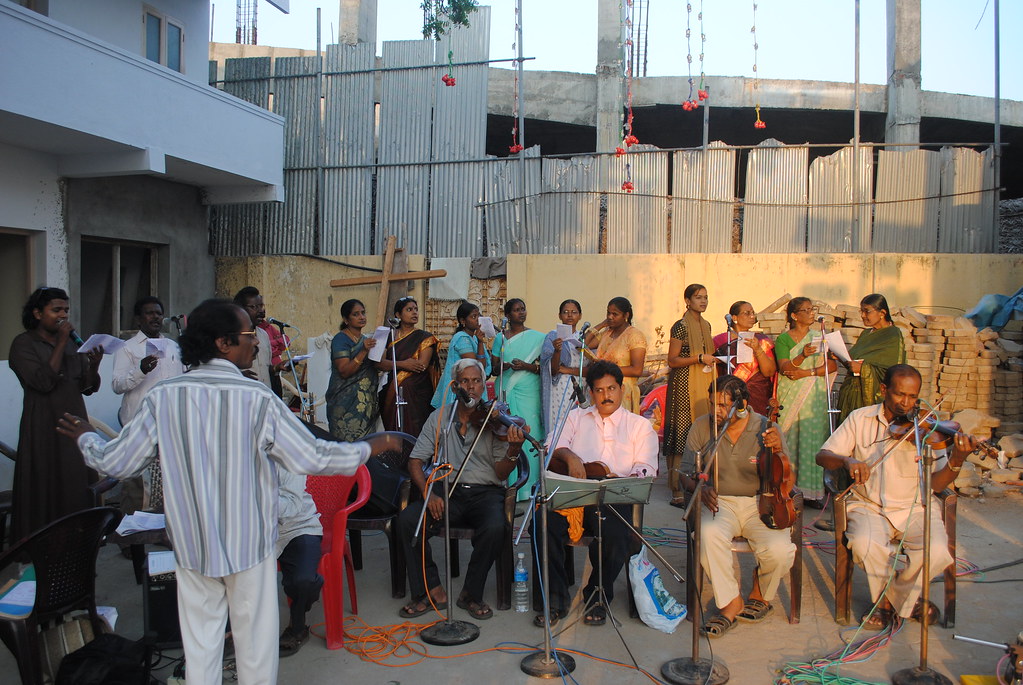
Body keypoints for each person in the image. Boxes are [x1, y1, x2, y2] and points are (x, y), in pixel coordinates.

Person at [57, 299, 402, 685]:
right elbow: (313, 457)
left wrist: (86, 438)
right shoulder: (257, 399)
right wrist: (370, 447)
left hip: (192, 546)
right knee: (255, 653)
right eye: (248, 335)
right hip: (248, 548)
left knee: (202, 649)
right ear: (223, 343)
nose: (256, 342)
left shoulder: (164, 397)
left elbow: (116, 463)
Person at [816, 364, 974, 629]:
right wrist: (847, 460)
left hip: (916, 507)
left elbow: (936, 484)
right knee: (865, 545)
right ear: (883, 390)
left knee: (937, 551)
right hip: (868, 506)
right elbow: (823, 456)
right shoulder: (860, 418)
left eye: (913, 397)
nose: (906, 403)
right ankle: (909, 602)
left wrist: (957, 460)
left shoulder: (926, 428)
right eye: (900, 394)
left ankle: (888, 602)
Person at [397, 359, 526, 621]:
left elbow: (502, 473)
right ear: (455, 386)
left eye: (476, 381)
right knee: (409, 519)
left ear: (483, 386)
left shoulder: (494, 420)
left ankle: (471, 593)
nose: (471, 387)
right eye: (465, 381)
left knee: (495, 527)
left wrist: (513, 450)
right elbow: (415, 461)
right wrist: (428, 494)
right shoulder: (439, 417)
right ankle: (430, 590)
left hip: (485, 493)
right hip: (447, 491)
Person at [536, 360, 658, 628]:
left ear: (621, 389)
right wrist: (570, 457)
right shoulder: (576, 417)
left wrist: (624, 479)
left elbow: (646, 467)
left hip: (615, 495)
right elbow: (551, 445)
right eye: (599, 390)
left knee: (615, 534)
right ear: (591, 393)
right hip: (577, 494)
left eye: (611, 389)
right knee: (544, 523)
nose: (606, 396)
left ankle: (597, 595)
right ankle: (556, 599)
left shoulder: (639, 425)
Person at [680, 375, 796, 638]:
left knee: (779, 551)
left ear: (741, 405)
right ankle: (731, 602)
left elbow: (788, 480)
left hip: (760, 502)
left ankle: (760, 593)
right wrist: (700, 487)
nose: (715, 411)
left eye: (723, 405)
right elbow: (684, 474)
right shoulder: (702, 426)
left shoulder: (766, 427)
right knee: (707, 535)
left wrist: (778, 450)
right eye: (712, 404)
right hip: (720, 502)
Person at [9, 287, 102, 542]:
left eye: (66, 310)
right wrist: (61, 342)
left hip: (74, 422)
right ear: (38, 313)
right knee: (45, 481)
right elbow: (42, 382)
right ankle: (43, 543)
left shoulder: (72, 344)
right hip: (43, 423)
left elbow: (86, 387)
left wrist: (94, 365)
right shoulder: (23, 344)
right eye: (56, 310)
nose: (63, 316)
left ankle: (78, 542)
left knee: (75, 481)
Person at [111, 295, 185, 514]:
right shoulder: (128, 348)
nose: (155, 317)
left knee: (169, 482)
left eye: (159, 313)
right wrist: (141, 370)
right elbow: (117, 385)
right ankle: (132, 527)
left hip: (169, 425)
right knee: (138, 487)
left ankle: (164, 524)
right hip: (139, 425)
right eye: (150, 313)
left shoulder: (172, 346)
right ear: (138, 319)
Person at [775, 297, 836, 505]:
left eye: (812, 309)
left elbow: (832, 366)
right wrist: (802, 355)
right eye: (806, 310)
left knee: (812, 441)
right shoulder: (783, 340)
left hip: (814, 399)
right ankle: (790, 490)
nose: (811, 313)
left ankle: (813, 493)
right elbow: (785, 368)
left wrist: (807, 373)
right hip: (791, 395)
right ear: (794, 315)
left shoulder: (819, 337)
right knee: (790, 440)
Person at [662, 284, 715, 508]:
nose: (703, 301)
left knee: (702, 429)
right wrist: (699, 358)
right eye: (698, 297)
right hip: (683, 384)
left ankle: (698, 483)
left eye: (705, 297)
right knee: (682, 431)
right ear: (687, 301)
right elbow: (672, 360)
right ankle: (677, 488)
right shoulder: (680, 326)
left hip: (703, 382)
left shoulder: (706, 325)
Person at [491, 298, 546, 500]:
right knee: (508, 433)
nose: (521, 313)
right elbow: (493, 369)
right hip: (507, 389)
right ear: (507, 315)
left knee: (531, 431)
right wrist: (504, 366)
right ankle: (512, 486)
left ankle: (532, 487)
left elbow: (544, 369)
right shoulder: (500, 339)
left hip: (529, 391)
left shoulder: (539, 338)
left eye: (523, 309)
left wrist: (525, 366)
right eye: (516, 310)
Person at [275, 468, 323, 657]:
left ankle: (297, 627)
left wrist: (253, 497)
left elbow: (291, 506)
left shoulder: (287, 458)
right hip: (256, 533)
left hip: (298, 527)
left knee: (304, 580)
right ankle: (231, 632)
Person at [837, 293, 906, 424]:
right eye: (861, 311)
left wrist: (863, 369)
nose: (863, 315)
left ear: (882, 313)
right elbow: (854, 361)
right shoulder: (865, 334)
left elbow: (894, 371)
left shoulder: (893, 334)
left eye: (867, 311)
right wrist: (840, 356)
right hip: (851, 395)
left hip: (870, 400)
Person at [377, 296, 440, 438]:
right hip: (390, 389)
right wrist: (404, 364)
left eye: (416, 309)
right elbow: (380, 363)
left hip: (417, 391)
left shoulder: (425, 337)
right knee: (393, 430)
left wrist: (393, 365)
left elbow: (421, 365)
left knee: (416, 431)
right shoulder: (389, 336)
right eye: (409, 309)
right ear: (398, 315)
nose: (414, 312)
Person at [326, 299, 379, 441]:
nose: (361, 317)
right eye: (356, 314)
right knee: (345, 445)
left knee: (366, 446)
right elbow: (344, 371)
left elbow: (376, 365)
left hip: (365, 404)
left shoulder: (365, 340)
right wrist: (363, 351)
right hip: (345, 402)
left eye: (363, 313)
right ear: (346, 319)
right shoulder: (340, 339)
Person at [713, 301, 777, 415]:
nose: (752, 316)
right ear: (734, 318)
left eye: (753, 313)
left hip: (759, 394)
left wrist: (758, 349)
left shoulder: (761, 340)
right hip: (730, 394)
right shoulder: (721, 341)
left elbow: (769, 372)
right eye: (747, 313)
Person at [584, 296, 647, 414]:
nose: (610, 317)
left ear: (626, 315)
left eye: (615, 314)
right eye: (608, 313)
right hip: (602, 389)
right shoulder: (607, 332)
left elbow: (637, 370)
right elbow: (584, 343)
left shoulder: (634, 335)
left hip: (623, 391)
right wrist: (602, 325)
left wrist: (607, 369)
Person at [431, 300, 492, 409]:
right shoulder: (462, 338)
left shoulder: (474, 338)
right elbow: (477, 367)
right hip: (461, 389)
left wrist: (480, 341)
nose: (478, 320)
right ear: (463, 321)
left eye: (479, 316)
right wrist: (480, 342)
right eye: (474, 317)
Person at [540, 299, 587, 437]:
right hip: (559, 391)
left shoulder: (585, 338)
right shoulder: (553, 336)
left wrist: (567, 370)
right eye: (565, 312)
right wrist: (557, 350)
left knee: (580, 429)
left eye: (574, 312)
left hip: (582, 389)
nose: (570, 315)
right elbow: (553, 370)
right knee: (559, 427)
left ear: (580, 315)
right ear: (559, 315)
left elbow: (591, 369)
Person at [233, 287, 276, 392]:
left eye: (261, 306)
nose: (261, 311)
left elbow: (266, 367)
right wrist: (239, 375)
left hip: (264, 394)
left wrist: (277, 368)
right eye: (254, 307)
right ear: (241, 310)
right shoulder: (231, 337)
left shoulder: (264, 335)